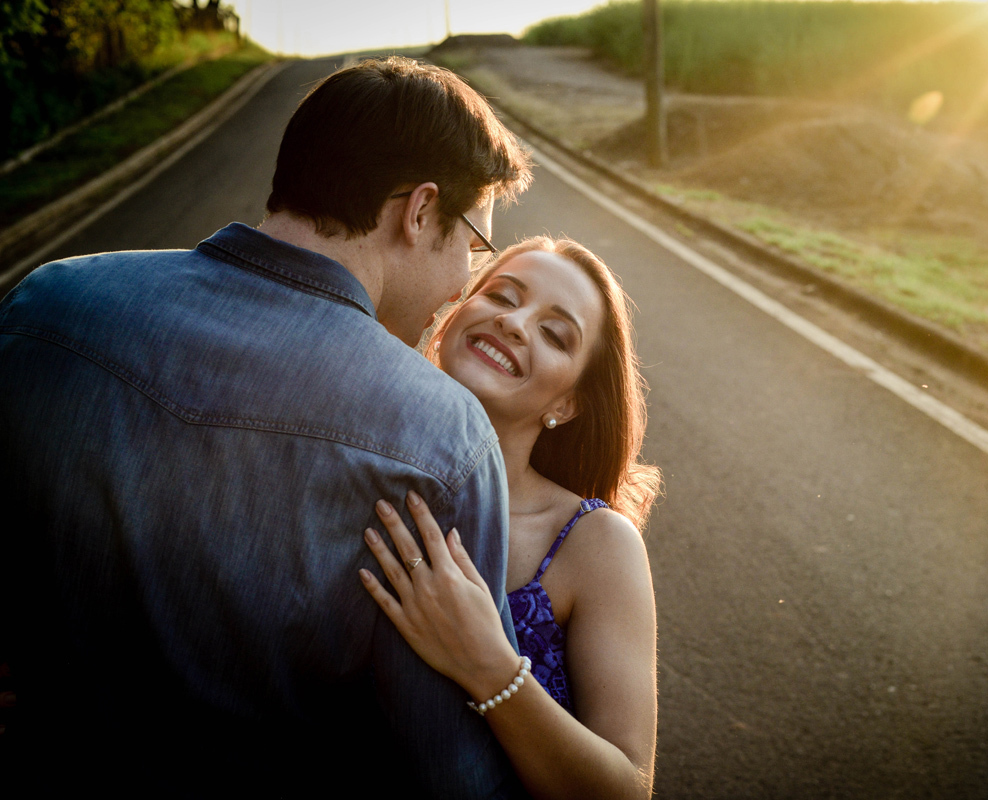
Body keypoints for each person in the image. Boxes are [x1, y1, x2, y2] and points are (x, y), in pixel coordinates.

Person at [0, 57, 532, 796]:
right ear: (418, 211)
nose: (458, 288)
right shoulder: (443, 437)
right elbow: (448, 776)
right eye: (472, 245)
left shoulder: (45, 306)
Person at [359, 237, 662, 799]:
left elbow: (626, 788)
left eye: (554, 334)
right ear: (454, 315)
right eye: (501, 296)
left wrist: (489, 665)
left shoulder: (593, 543)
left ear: (566, 404)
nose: (515, 323)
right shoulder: (350, 458)